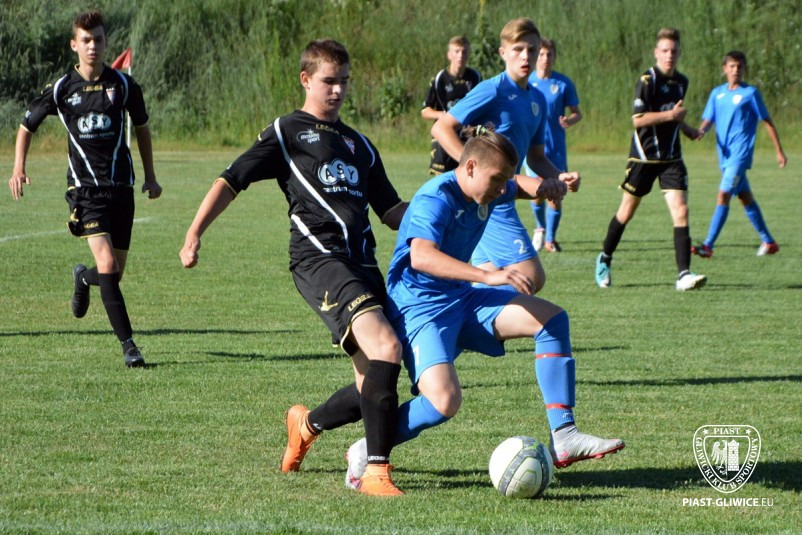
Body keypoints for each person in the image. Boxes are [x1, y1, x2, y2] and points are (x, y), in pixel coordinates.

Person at [179, 39, 407, 496]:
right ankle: (376, 473)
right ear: (305, 80)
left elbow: (391, 211)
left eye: (344, 81)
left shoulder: (360, 145)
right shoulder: (287, 132)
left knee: (374, 382)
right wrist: (194, 232)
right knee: (386, 346)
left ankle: (306, 425)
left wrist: (445, 218)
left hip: (364, 265)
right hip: (319, 260)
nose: (338, 90)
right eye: (329, 81)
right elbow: (232, 179)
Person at [343, 126, 624, 490]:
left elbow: (516, 185)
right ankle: (369, 447)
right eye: (496, 179)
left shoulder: (489, 186)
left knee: (551, 320)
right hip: (420, 309)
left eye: (504, 180)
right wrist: (486, 276)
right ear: (471, 166)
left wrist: (547, 186)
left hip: (461, 298)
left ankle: (565, 435)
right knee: (444, 401)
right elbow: (421, 256)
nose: (501, 188)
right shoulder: (435, 197)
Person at [8, 10, 161, 368]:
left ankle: (82, 277)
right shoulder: (62, 88)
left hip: (121, 188)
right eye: (86, 40)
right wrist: (18, 167)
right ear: (74, 45)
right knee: (106, 263)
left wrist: (151, 176)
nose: (93, 46)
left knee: (113, 273)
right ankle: (129, 346)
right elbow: (26, 125)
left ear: (106, 43)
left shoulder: (123, 85)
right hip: (84, 192)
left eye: (99, 39)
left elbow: (142, 128)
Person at [432, 18, 576, 295]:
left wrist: (560, 176)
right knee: (530, 276)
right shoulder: (493, 89)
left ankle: (472, 321)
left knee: (488, 279)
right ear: (503, 53)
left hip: (501, 194)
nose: (525, 56)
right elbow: (442, 128)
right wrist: (472, 169)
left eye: (531, 50)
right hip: (490, 198)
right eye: (518, 49)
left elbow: (536, 157)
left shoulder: (537, 100)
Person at [594, 28, 706, 291]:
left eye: (674, 51)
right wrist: (671, 117)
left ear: (679, 53)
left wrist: (687, 129)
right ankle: (605, 259)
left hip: (671, 158)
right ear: (656, 52)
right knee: (626, 212)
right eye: (665, 51)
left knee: (681, 211)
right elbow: (639, 120)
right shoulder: (647, 80)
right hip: (643, 158)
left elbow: (673, 115)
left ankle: (683, 275)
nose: (669, 55)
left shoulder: (682, 82)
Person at [691, 50, 787, 258]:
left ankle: (708, 245)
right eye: (732, 66)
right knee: (745, 197)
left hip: (740, 156)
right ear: (724, 69)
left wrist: (779, 151)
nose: (736, 70)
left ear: (744, 69)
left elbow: (767, 121)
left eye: (740, 66)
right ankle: (769, 242)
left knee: (723, 195)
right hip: (724, 157)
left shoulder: (750, 93)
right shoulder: (717, 93)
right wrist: (701, 131)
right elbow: (709, 119)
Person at [523, 38, 582, 253]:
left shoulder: (563, 83)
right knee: (537, 192)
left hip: (556, 148)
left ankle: (550, 239)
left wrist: (569, 120)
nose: (545, 58)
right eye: (541, 54)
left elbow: (577, 113)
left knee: (556, 195)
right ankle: (540, 227)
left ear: (555, 57)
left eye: (549, 54)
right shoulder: (527, 81)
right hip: (533, 149)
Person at [421, 36, 482, 175]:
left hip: (468, 135)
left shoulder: (475, 77)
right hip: (445, 135)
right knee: (443, 178)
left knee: (469, 174)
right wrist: (442, 115)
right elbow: (425, 111)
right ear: (449, 55)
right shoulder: (440, 79)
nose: (460, 56)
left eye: (464, 52)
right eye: (456, 51)